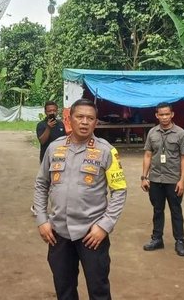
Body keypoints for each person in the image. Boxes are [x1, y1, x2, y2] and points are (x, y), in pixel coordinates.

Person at [34, 98, 127, 300]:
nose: (84, 122)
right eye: (80, 117)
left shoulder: (106, 151)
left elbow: (119, 190)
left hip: (92, 235)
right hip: (58, 233)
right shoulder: (54, 148)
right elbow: (42, 184)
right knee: (64, 289)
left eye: (90, 118)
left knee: (99, 290)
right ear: (69, 119)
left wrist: (104, 225)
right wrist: (42, 219)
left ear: (96, 122)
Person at [141, 102, 184, 256]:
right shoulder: (152, 133)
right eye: (161, 114)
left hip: (173, 180)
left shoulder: (181, 134)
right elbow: (148, 155)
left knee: (176, 211)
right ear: (157, 115)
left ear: (172, 114)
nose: (164, 117)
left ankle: (180, 241)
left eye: (167, 114)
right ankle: (157, 239)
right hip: (155, 179)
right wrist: (144, 177)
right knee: (157, 210)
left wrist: (182, 180)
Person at [31, 101, 66, 216]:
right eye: (49, 110)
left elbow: (65, 141)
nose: (52, 112)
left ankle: (59, 208)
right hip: (46, 159)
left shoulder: (61, 124)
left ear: (57, 111)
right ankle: (37, 206)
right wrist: (48, 128)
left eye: (54, 110)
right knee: (45, 184)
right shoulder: (41, 125)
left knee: (59, 184)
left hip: (60, 159)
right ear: (45, 112)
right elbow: (42, 141)